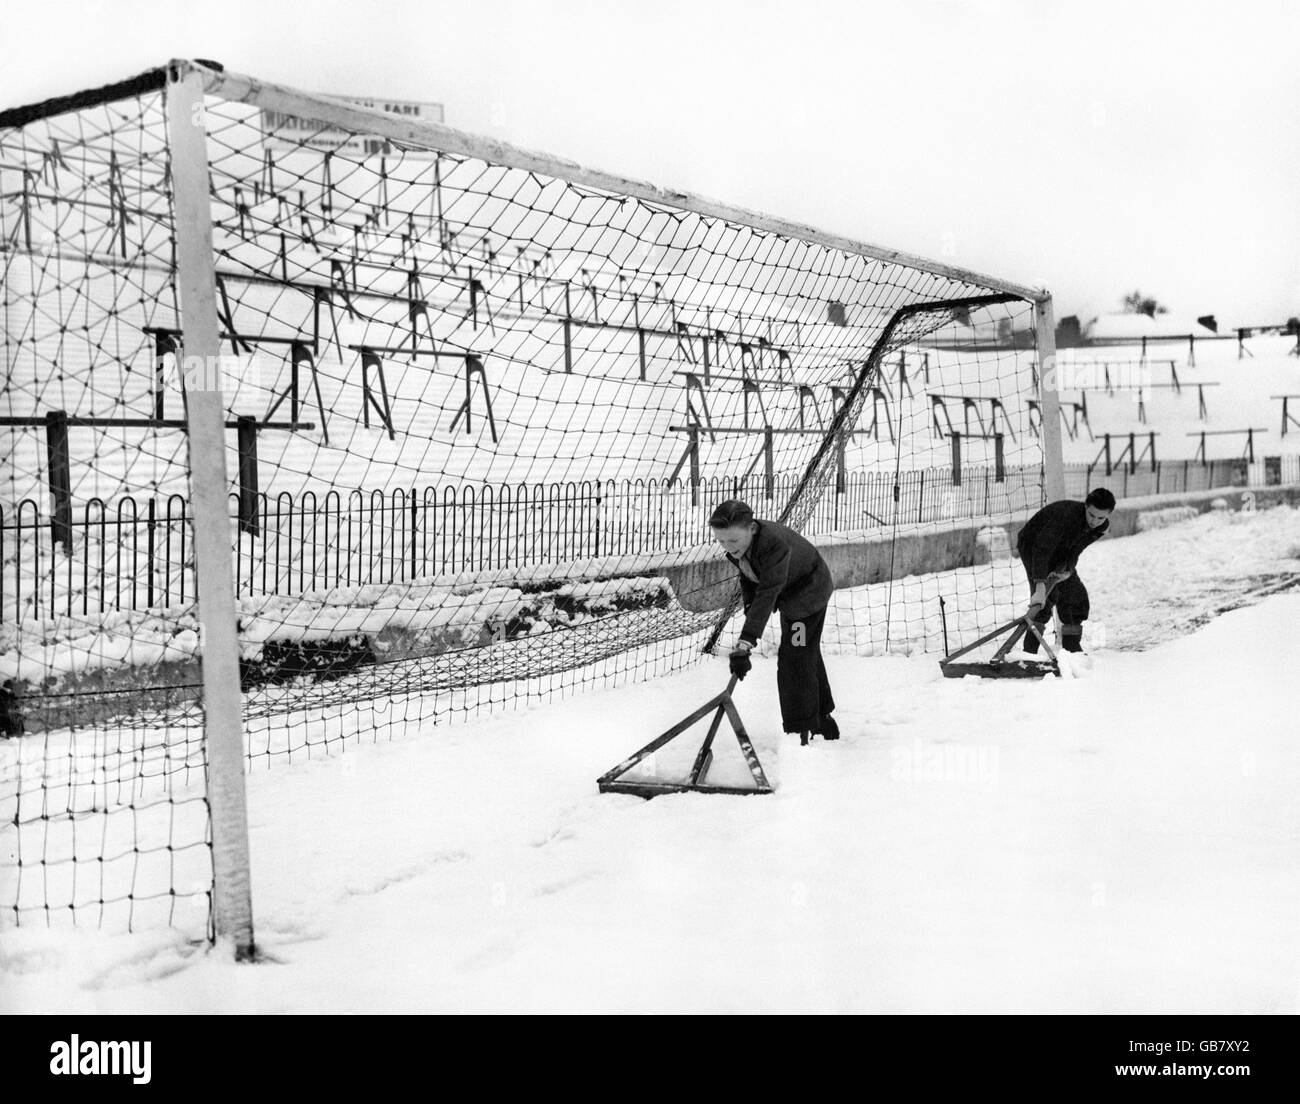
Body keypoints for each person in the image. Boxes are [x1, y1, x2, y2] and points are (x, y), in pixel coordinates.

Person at [709, 499, 838, 745]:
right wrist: (750, 611)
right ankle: (823, 720)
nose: (728, 546)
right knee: (804, 652)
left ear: (752, 529)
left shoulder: (773, 547)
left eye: (733, 541)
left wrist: (745, 642)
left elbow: (767, 592)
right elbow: (750, 578)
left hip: (807, 598)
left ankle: (803, 731)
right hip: (791, 594)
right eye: (721, 541)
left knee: (795, 656)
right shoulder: (744, 545)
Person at [1015, 487, 1116, 654]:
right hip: (1033, 544)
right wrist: (1040, 586)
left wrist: (1068, 570)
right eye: (1091, 515)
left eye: (1101, 517)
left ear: (1108, 515)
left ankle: (1071, 647)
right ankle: (1029, 651)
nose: (1094, 521)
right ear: (1085, 506)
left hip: (1061, 548)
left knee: (1075, 596)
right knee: (1046, 599)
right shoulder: (1065, 517)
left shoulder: (1101, 526)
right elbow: (1042, 549)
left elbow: (1076, 549)